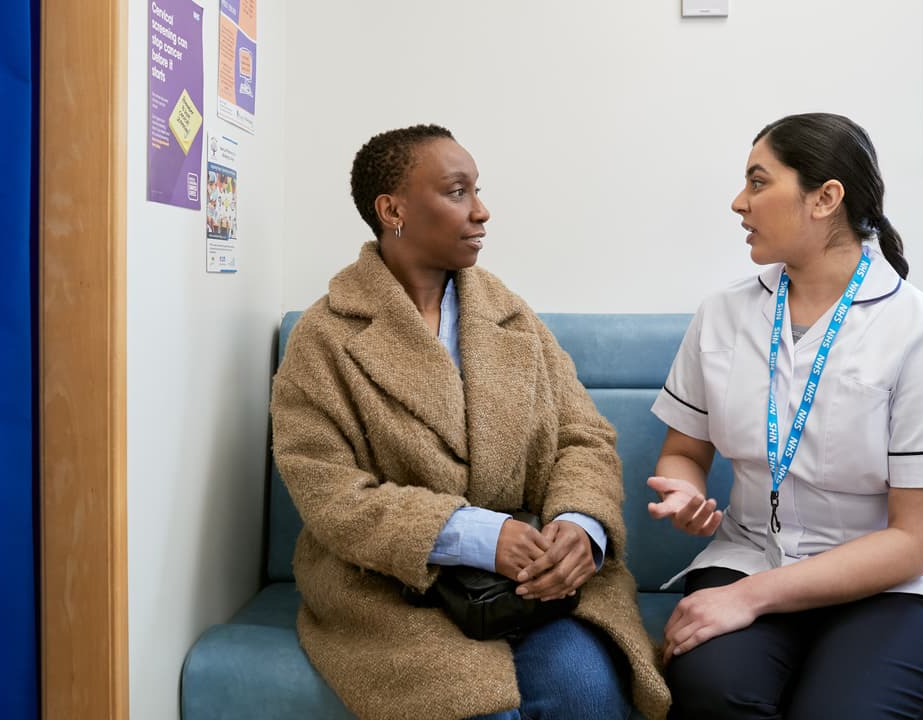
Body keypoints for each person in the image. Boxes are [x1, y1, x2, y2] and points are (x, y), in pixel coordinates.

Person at [271, 124, 670, 720]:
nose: (481, 212)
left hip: (535, 585)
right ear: (393, 209)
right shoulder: (324, 339)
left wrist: (580, 525)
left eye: (477, 191)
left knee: (586, 696)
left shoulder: (510, 317)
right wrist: (476, 537)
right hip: (392, 592)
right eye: (458, 192)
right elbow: (330, 496)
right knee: (473, 708)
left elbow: (581, 436)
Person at [647, 112, 923, 719]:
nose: (739, 201)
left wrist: (751, 598)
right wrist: (685, 490)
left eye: (759, 182)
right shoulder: (723, 315)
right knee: (713, 692)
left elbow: (916, 540)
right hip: (750, 554)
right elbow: (684, 450)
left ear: (825, 198)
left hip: (899, 585)